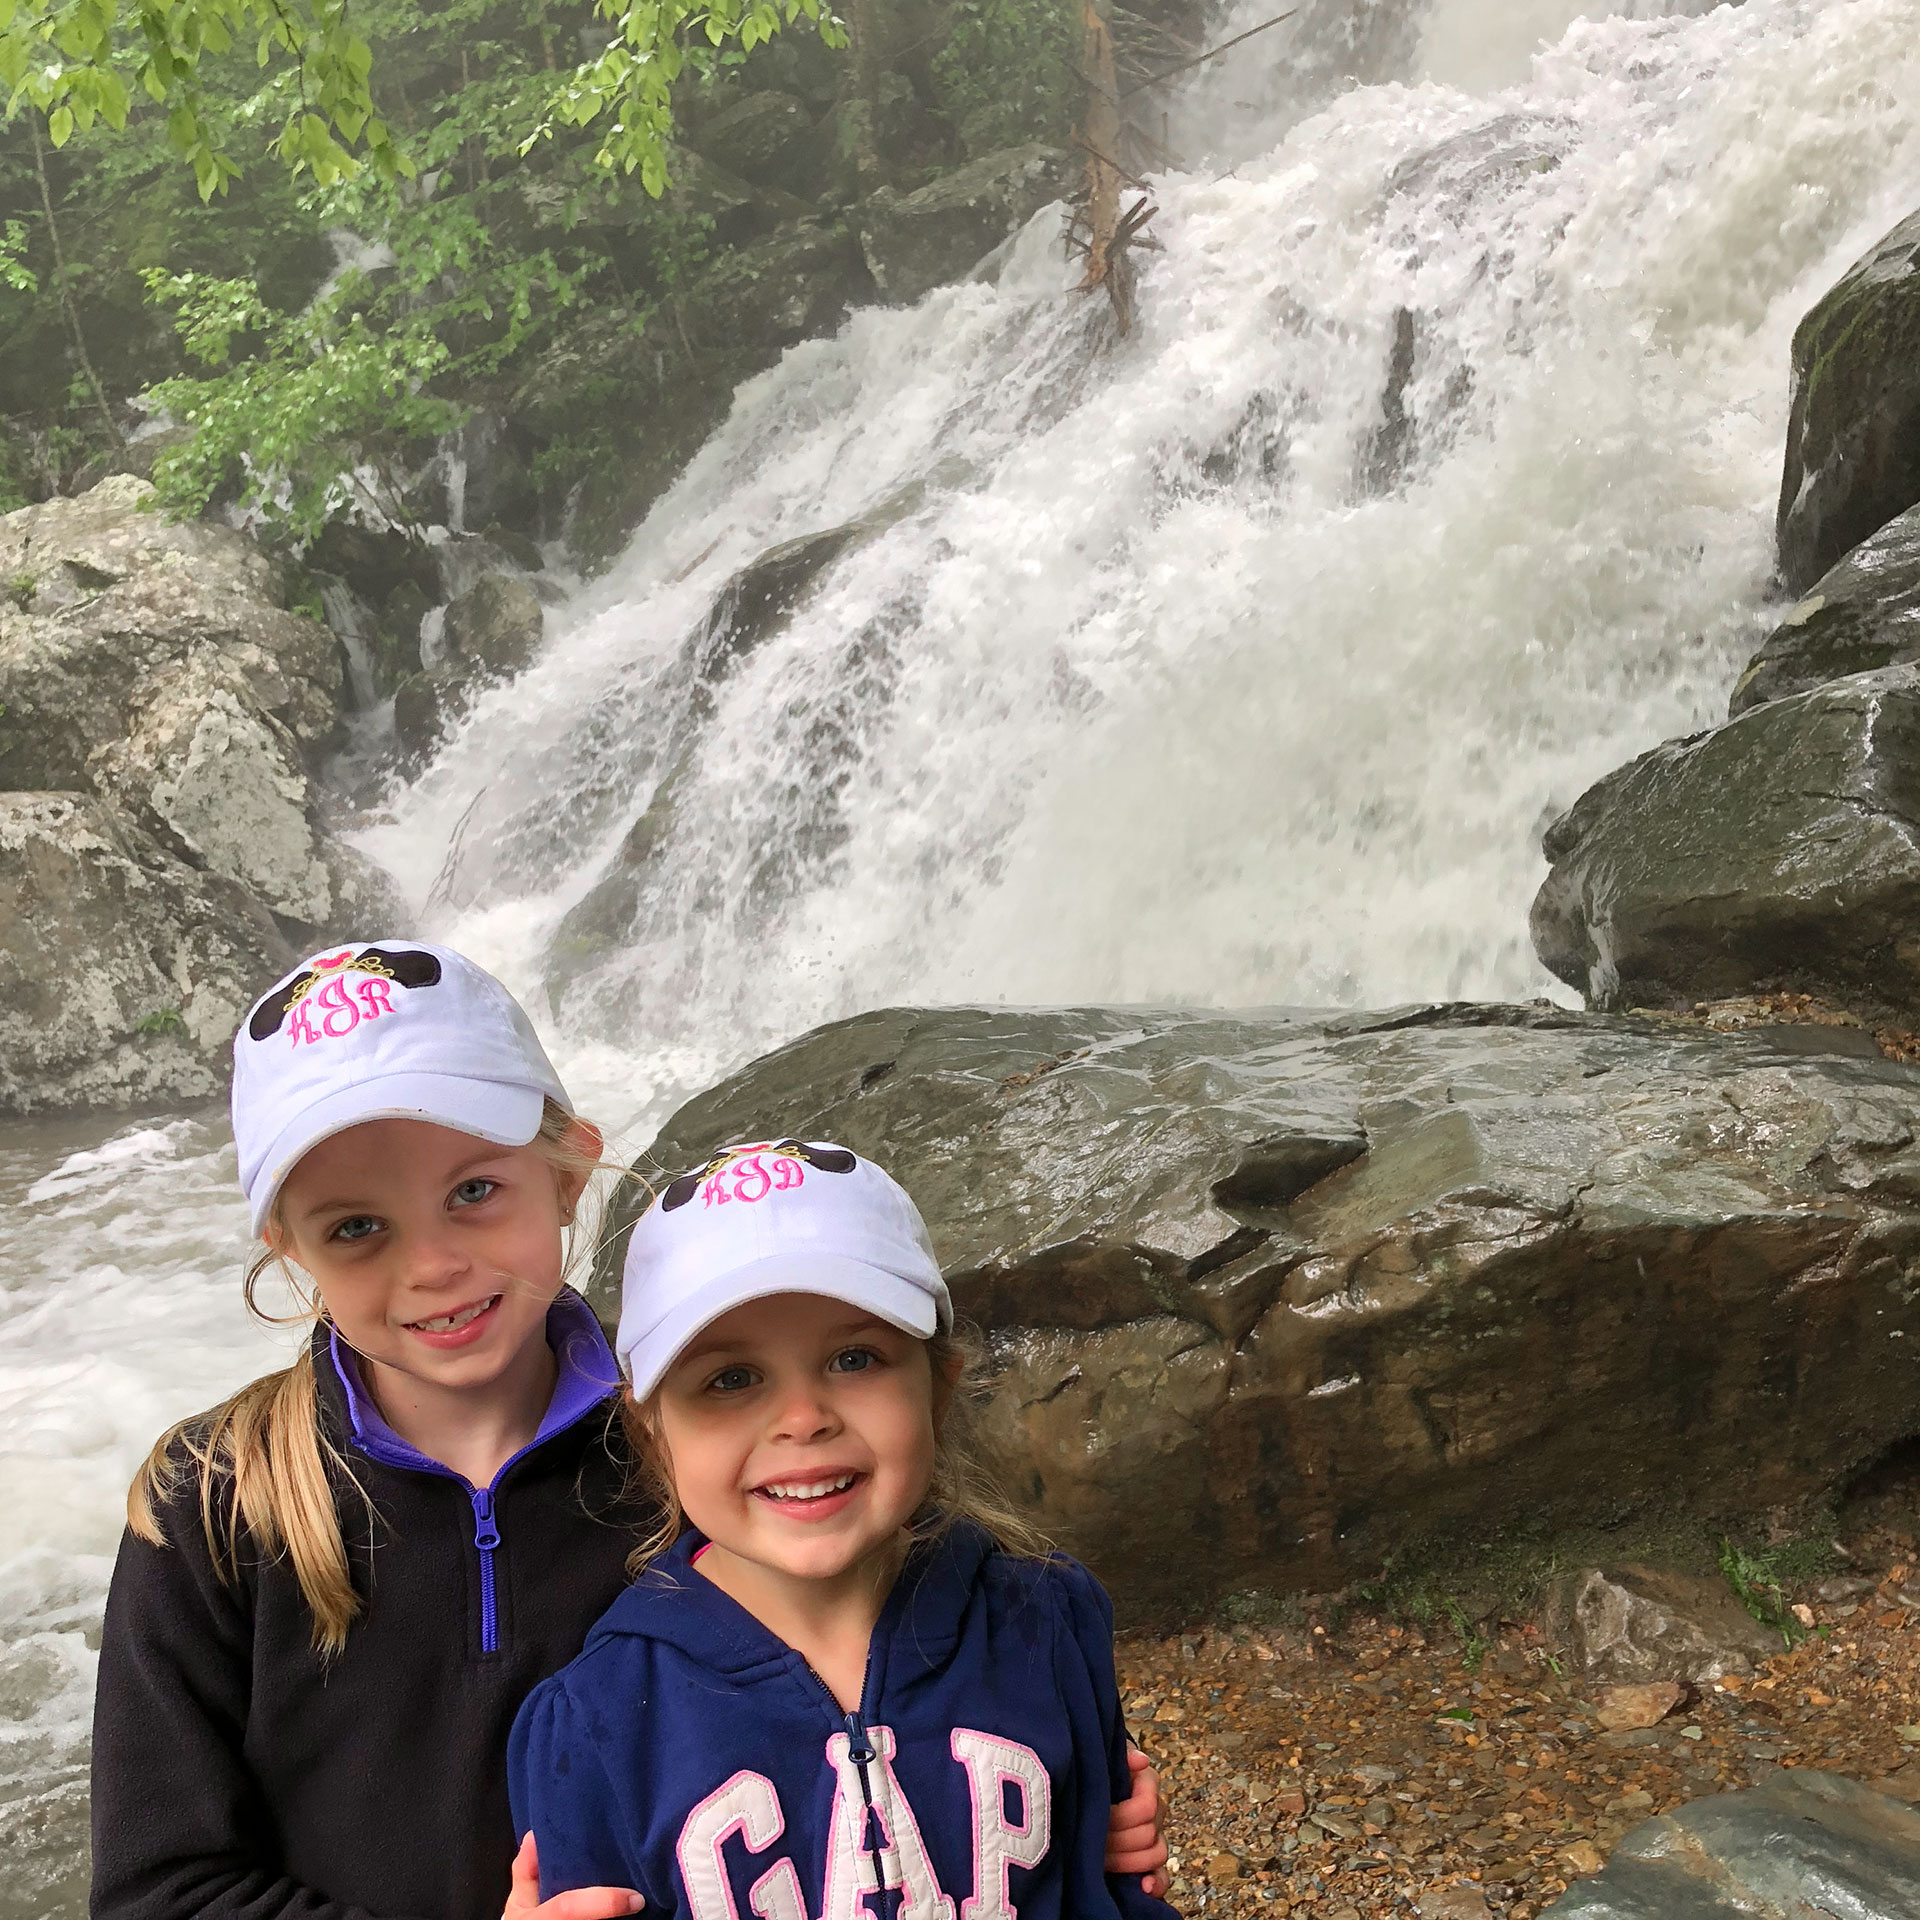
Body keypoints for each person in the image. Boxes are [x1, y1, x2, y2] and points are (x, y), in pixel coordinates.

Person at [89, 942, 1167, 1920]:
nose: (431, 1266)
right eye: (358, 1227)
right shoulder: (211, 1507)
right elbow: (157, 1888)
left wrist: (1045, 1825)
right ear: (288, 1242)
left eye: (473, 1191)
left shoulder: (705, 1438)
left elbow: (892, 1660)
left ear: (566, 1171)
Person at [509, 1139, 1181, 1920]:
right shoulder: (596, 1723)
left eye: (855, 1358)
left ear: (937, 1388)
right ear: (653, 1433)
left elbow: (1114, 1890)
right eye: (731, 1379)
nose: (802, 1419)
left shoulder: (1050, 1620)